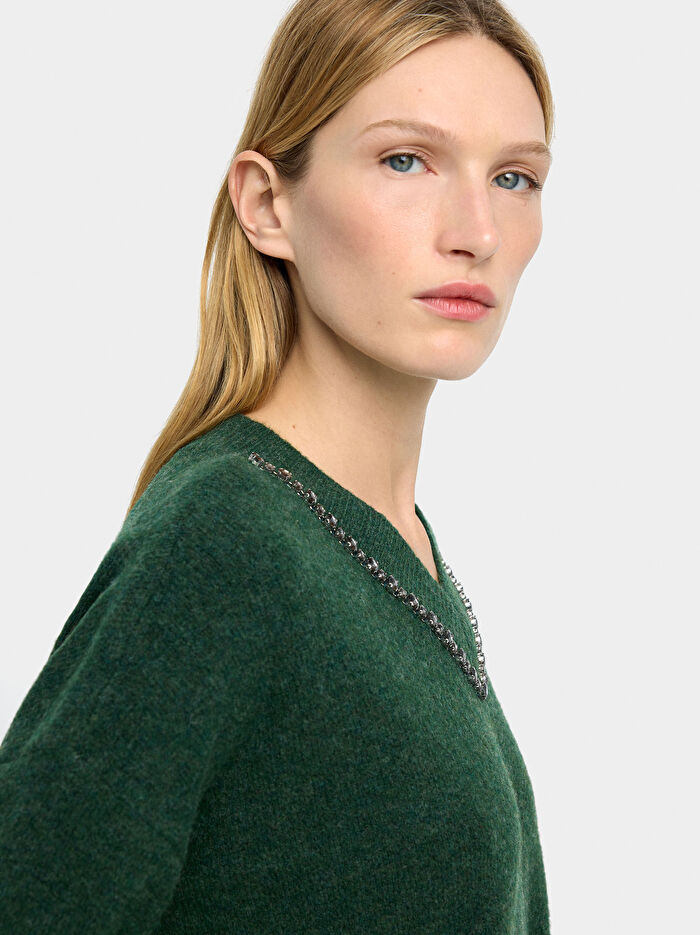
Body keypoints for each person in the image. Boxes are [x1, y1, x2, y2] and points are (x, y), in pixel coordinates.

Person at [0, 0, 555, 931]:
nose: (478, 230)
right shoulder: (226, 537)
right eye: (406, 160)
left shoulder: (389, 545)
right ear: (268, 204)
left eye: (513, 177)